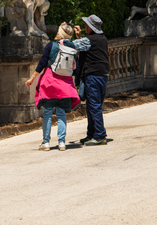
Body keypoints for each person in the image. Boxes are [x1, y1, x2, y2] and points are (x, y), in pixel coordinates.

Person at [24, 23, 81, 151]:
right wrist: (77, 83)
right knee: (61, 114)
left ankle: (46, 143)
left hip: (50, 83)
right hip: (65, 85)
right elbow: (77, 69)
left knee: (48, 114)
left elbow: (43, 62)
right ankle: (61, 142)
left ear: (59, 33)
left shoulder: (51, 45)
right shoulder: (73, 48)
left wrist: (32, 78)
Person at [74, 14, 109, 146]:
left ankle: (99, 135)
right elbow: (85, 46)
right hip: (102, 75)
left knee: (94, 106)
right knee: (92, 106)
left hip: (93, 76)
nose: (84, 26)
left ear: (90, 27)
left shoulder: (89, 39)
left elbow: (73, 46)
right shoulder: (102, 38)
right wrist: (79, 36)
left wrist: (64, 36)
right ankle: (92, 134)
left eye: (86, 24)